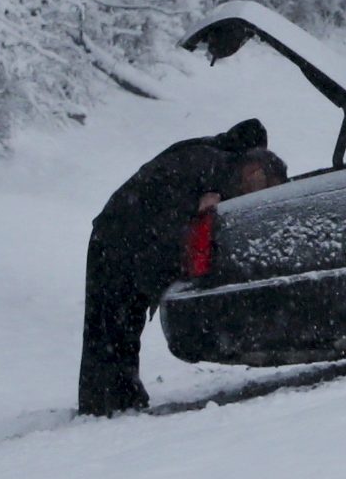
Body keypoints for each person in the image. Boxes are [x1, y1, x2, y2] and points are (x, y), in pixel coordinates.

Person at [77, 118, 269, 418]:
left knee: (117, 323)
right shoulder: (208, 162)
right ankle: (105, 401)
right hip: (119, 239)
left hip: (120, 236)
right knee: (112, 322)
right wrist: (194, 207)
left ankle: (115, 396)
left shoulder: (208, 156)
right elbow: (164, 212)